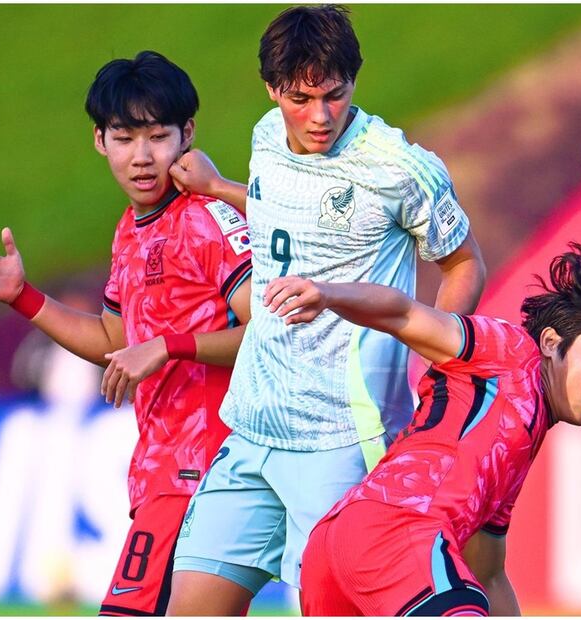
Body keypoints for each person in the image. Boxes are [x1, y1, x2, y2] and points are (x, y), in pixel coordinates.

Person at [166, 5, 486, 615]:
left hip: (342, 442)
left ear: (354, 81)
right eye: (301, 99)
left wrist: (435, 369)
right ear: (271, 89)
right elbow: (284, 217)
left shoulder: (399, 168)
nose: (319, 116)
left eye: (334, 95)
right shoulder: (266, 137)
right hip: (253, 426)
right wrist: (220, 189)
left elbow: (465, 263)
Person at [0, 51, 253, 616]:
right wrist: (24, 296)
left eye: (157, 136)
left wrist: (169, 346)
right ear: (100, 141)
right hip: (163, 472)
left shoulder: (205, 219)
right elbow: (115, 341)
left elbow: (267, 333)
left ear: (188, 133)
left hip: (205, 471)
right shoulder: (130, 231)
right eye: (124, 138)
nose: (142, 157)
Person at [258, 243, 581, 616]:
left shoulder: (521, 438)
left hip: (335, 549)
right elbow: (404, 313)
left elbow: (488, 573)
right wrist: (327, 294)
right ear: (551, 342)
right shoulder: (509, 351)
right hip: (398, 535)